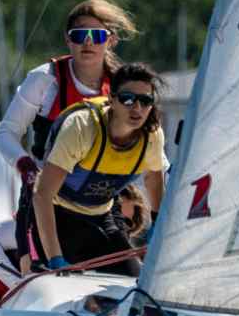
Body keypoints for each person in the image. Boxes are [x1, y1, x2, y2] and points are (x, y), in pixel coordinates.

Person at [0, 0, 137, 261]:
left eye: (97, 35)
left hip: (99, 205)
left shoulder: (121, 85)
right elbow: (6, 134)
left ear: (111, 40)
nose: (88, 43)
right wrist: (25, 166)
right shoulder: (44, 79)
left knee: (132, 281)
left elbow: (145, 143)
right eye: (80, 35)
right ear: (68, 40)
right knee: (43, 274)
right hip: (45, 199)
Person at [31, 62, 167, 276]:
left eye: (145, 101)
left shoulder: (152, 135)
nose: (137, 108)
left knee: (135, 282)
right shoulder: (82, 127)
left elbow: (153, 178)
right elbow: (42, 195)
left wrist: (158, 224)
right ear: (111, 99)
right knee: (67, 285)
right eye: (128, 99)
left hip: (101, 216)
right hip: (57, 217)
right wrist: (55, 258)